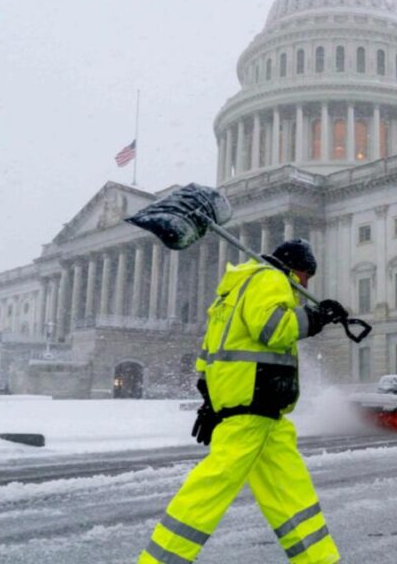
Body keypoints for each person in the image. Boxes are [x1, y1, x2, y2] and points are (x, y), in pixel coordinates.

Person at [139, 239, 347, 564]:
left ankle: (320, 559)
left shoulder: (233, 292)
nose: (305, 285)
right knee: (210, 489)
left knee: (291, 493)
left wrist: (210, 402)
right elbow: (273, 329)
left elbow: (208, 356)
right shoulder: (270, 279)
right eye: (306, 276)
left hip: (260, 413)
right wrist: (316, 317)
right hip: (252, 408)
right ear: (297, 268)